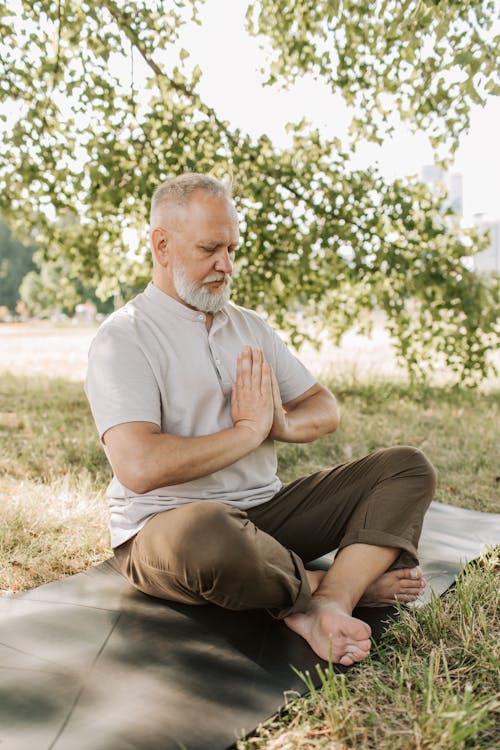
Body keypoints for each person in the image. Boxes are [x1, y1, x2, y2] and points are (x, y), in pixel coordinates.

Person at [85, 173, 437, 666]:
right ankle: (321, 588)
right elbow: (139, 467)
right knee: (210, 532)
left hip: (266, 517)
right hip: (170, 530)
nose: (225, 266)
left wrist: (280, 425)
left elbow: (323, 406)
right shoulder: (123, 337)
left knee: (407, 466)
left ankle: (332, 598)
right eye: (210, 248)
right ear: (161, 245)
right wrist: (246, 432)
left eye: (232, 249)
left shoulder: (250, 326)